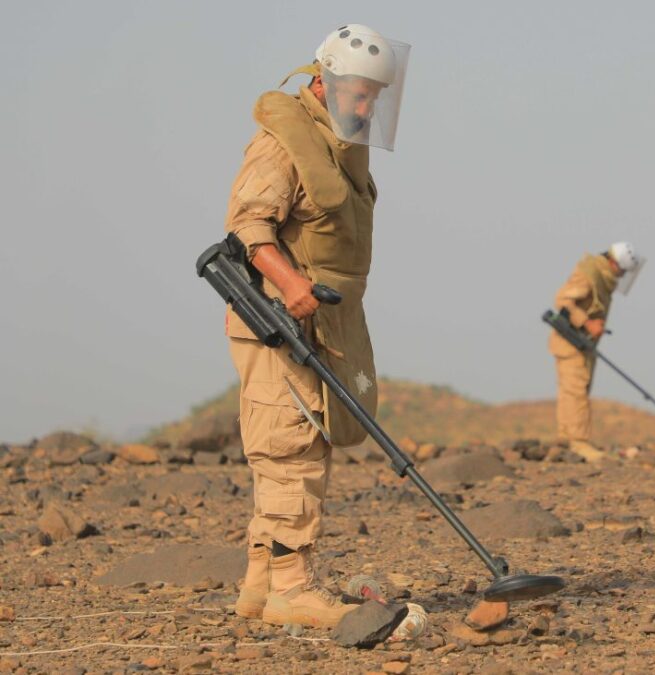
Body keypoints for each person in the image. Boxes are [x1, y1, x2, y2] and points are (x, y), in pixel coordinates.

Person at [222, 24, 409, 629]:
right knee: (290, 447)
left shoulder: (337, 146)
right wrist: (293, 283)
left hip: (325, 320)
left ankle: (259, 586)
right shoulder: (283, 142)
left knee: (301, 442)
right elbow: (250, 226)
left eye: (375, 96)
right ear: (323, 82)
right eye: (359, 92)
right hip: (279, 321)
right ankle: (292, 589)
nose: (367, 105)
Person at [548, 243, 644, 461]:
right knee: (576, 391)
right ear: (613, 263)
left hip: (583, 344)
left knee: (572, 391)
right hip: (570, 342)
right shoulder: (590, 274)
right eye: (621, 270)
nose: (621, 276)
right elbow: (562, 300)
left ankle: (566, 440)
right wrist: (587, 323)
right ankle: (578, 442)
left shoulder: (602, 277)